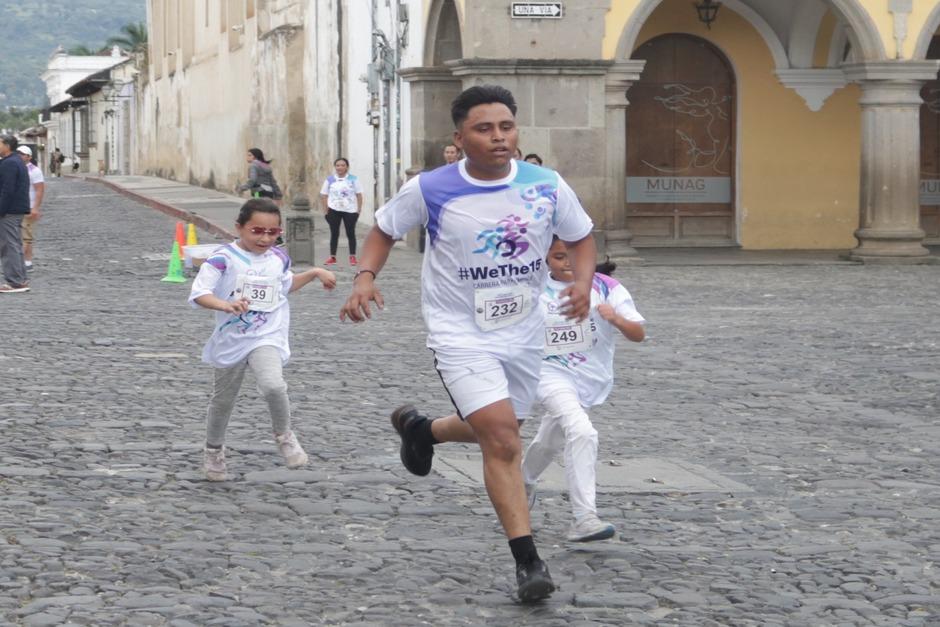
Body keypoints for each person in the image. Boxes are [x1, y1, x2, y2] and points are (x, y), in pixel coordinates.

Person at [340, 85, 597, 603]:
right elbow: (384, 230)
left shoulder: (546, 185)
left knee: (501, 428)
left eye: (506, 127)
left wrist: (584, 283)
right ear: (459, 137)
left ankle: (423, 430)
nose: (498, 137)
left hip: (523, 332)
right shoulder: (430, 188)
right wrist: (365, 277)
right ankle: (529, 563)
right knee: (502, 439)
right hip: (460, 332)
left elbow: (581, 237)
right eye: (484, 129)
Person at [189, 198, 337, 481]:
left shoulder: (278, 258)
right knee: (223, 400)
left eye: (273, 232)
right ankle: (213, 451)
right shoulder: (222, 259)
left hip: (266, 335)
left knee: (273, 385)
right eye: (257, 231)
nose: (265, 238)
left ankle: (284, 436)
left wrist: (315, 273)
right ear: (239, 227)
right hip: (232, 339)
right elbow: (199, 293)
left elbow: (284, 286)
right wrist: (225, 305)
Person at [522, 238, 645, 542]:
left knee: (551, 437)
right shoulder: (533, 286)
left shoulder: (606, 287)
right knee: (582, 432)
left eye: (573, 256)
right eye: (558, 257)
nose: (567, 263)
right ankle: (584, 517)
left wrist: (615, 318)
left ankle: (521, 481)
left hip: (589, 376)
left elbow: (638, 333)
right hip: (547, 372)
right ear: (546, 258)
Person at [0, 135, 30, 293]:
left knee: (9, 246)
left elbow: (7, 189)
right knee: (15, 244)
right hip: (17, 209)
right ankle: (21, 279)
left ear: (7, 145)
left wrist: (1, 209)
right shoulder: (17, 161)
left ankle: (14, 282)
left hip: (9, 210)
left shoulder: (9, 163)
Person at [319, 157, 363, 266]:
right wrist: (325, 210)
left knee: (350, 233)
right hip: (334, 209)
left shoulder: (353, 179)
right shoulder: (330, 179)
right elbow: (324, 195)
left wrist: (358, 210)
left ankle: (352, 256)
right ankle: (332, 257)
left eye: (343, 165)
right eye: (338, 165)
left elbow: (359, 195)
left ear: (347, 167)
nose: (340, 167)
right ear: (335, 167)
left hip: (350, 210)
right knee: (334, 233)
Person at [17, 146, 44, 270]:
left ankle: (22, 262)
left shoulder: (35, 171)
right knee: (22, 236)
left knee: (26, 236)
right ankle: (27, 262)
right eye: (18, 153)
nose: (20, 156)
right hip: (16, 207)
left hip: (29, 206)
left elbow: (39, 190)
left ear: (29, 157)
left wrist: (35, 208)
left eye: (22, 154)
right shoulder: (16, 168)